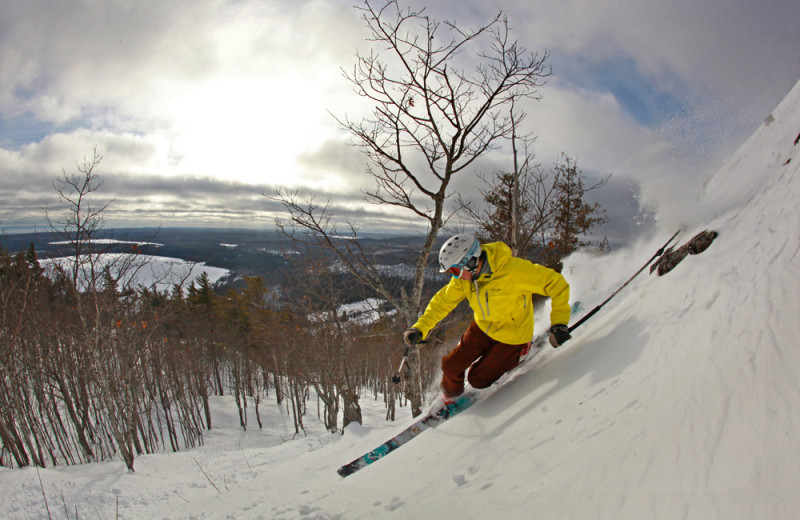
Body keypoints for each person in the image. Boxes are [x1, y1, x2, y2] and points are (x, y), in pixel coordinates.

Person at [403, 234, 572, 399]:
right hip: (482, 328)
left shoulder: (514, 271)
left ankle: (522, 351)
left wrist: (559, 323)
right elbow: (442, 302)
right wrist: (420, 328)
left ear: (471, 261)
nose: (455, 276)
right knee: (451, 366)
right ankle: (450, 397)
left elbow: (557, 284)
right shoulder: (465, 279)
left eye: (455, 270)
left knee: (478, 379)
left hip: (513, 336)